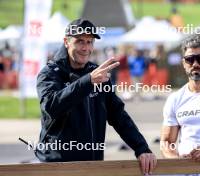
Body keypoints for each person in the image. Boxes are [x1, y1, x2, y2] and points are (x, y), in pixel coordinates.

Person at [36, 18, 156, 175]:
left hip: (92, 166)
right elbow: (51, 107)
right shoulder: (50, 73)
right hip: (57, 166)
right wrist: (88, 81)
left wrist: (142, 148)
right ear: (66, 41)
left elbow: (118, 115)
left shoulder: (97, 73)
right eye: (80, 41)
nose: (86, 47)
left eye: (90, 42)